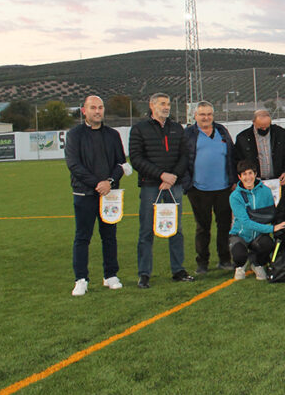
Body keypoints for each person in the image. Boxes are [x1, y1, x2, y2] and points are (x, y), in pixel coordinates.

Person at [65, 95, 128, 296]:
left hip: (110, 195)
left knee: (109, 237)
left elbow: (122, 164)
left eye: (100, 107)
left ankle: (110, 275)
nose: (97, 111)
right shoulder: (75, 135)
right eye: (93, 108)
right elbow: (74, 165)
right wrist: (97, 184)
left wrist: (108, 182)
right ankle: (81, 279)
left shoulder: (112, 134)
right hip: (84, 194)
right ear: (84, 111)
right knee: (82, 237)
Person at [129, 92, 194, 288]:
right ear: (152, 105)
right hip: (151, 186)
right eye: (162, 104)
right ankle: (144, 273)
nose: (166, 107)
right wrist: (161, 175)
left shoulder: (177, 128)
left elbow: (185, 155)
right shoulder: (139, 129)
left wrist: (173, 176)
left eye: (168, 104)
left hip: (174, 186)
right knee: (146, 231)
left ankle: (178, 270)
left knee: (176, 229)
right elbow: (136, 158)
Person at [184, 100, 235, 275]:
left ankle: (225, 259)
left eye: (209, 114)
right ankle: (202, 262)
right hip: (198, 190)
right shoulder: (189, 134)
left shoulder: (222, 131)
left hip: (223, 188)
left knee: (224, 226)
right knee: (202, 227)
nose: (206, 118)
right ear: (195, 116)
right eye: (202, 114)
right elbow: (182, 160)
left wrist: (233, 180)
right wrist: (188, 185)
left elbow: (232, 156)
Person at [228, 160, 285, 281]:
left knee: (267, 245)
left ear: (255, 174)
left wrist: (277, 228)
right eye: (244, 174)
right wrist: (271, 228)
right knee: (239, 255)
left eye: (250, 173)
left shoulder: (266, 191)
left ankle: (257, 263)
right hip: (240, 234)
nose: (248, 177)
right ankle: (240, 265)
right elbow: (246, 223)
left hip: (259, 235)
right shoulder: (235, 196)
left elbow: (271, 214)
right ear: (239, 177)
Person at [233, 110, 285, 185]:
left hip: (278, 180)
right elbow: (238, 162)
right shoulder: (242, 138)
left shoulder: (280, 133)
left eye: (267, 127)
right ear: (254, 122)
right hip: (255, 183)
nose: (264, 129)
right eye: (261, 127)